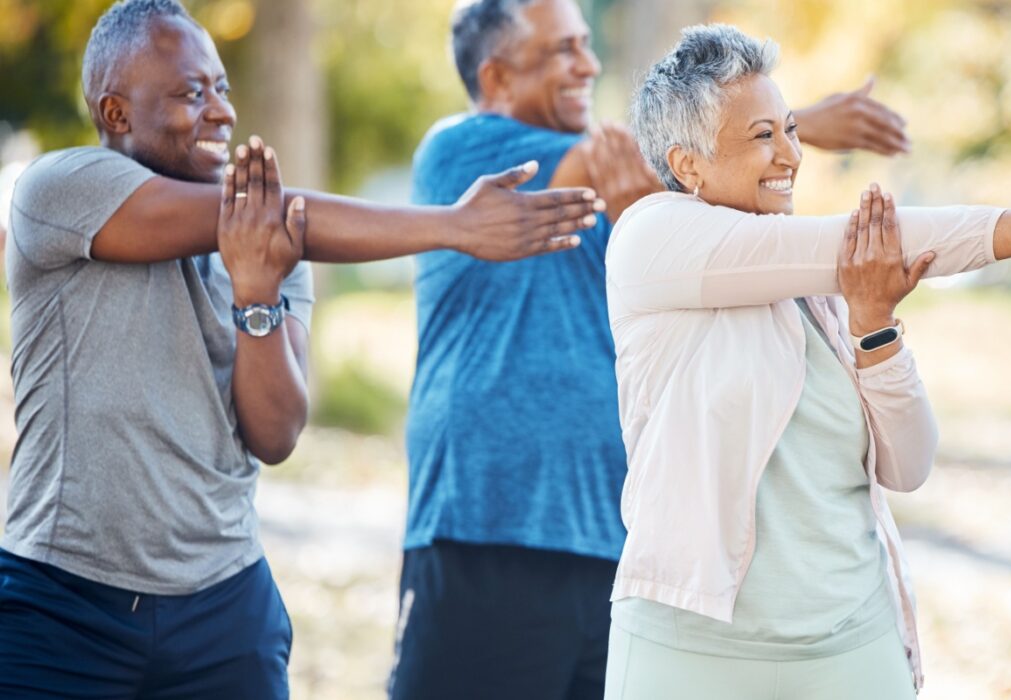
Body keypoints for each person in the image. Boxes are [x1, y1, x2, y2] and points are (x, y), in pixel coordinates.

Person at [0, 0, 603, 697]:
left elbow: (276, 433)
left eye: (222, 88)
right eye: (191, 94)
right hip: (63, 603)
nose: (222, 112)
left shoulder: (277, 247)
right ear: (116, 114)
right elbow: (269, 214)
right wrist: (452, 226)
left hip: (222, 607)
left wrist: (258, 296)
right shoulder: (59, 191)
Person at [601, 24, 1011, 700]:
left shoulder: (822, 291)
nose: (791, 153)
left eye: (791, 129)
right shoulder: (649, 239)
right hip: (689, 647)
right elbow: (871, 239)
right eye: (762, 135)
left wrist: (875, 327)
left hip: (850, 641)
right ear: (688, 165)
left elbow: (909, 466)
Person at [390, 1, 939, 698]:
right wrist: (800, 122)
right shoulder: (463, 151)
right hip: (488, 522)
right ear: (495, 75)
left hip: (606, 532)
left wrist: (772, 132)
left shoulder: (638, 195)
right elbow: (647, 153)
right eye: (562, 50)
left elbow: (705, 170)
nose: (587, 64)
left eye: (587, 44)